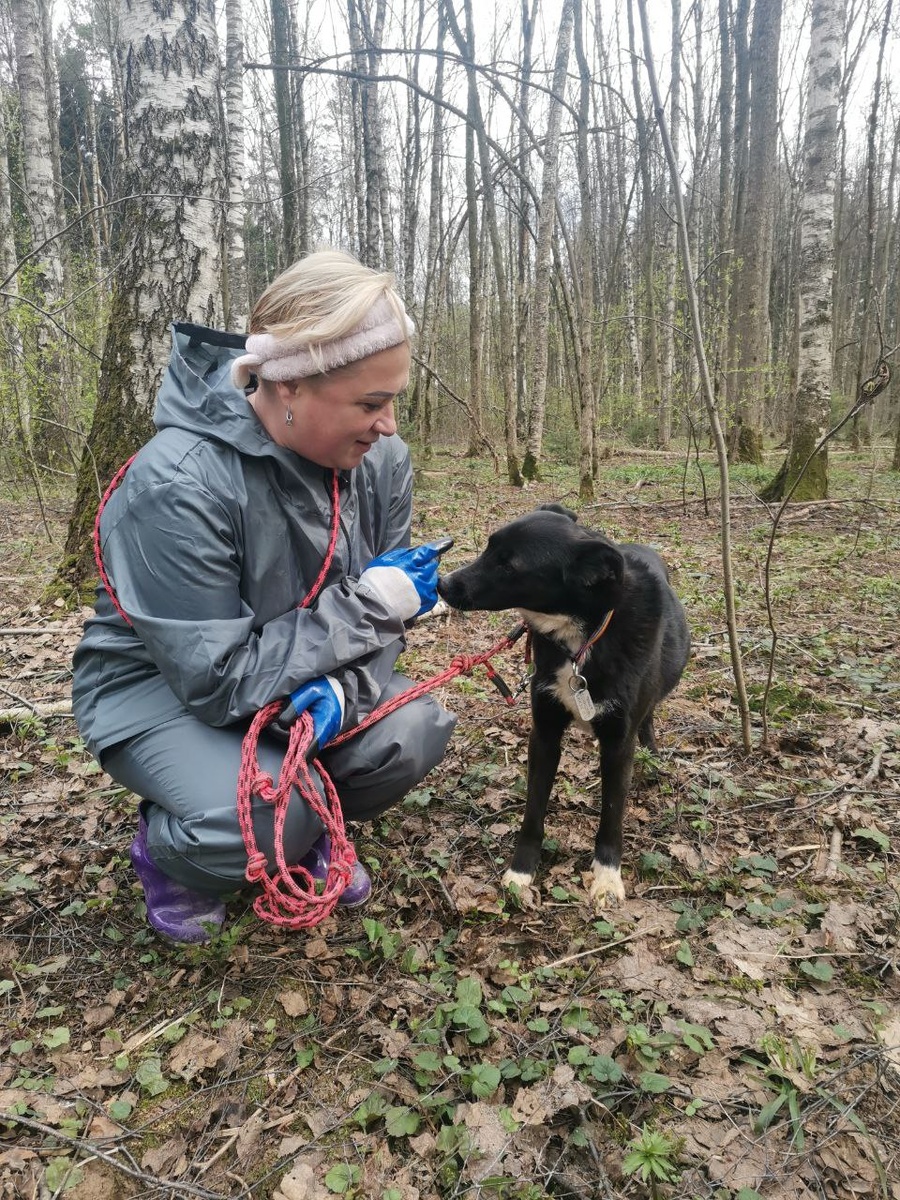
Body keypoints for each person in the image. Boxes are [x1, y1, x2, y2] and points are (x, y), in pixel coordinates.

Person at [72, 249, 457, 944]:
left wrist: (348, 691)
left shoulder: (380, 462)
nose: (390, 425)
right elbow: (214, 679)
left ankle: (298, 815)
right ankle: (172, 854)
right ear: (288, 386)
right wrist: (374, 606)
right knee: (255, 814)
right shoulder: (178, 482)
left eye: (394, 399)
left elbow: (385, 621)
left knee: (409, 733)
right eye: (370, 403)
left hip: (294, 676)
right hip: (163, 689)